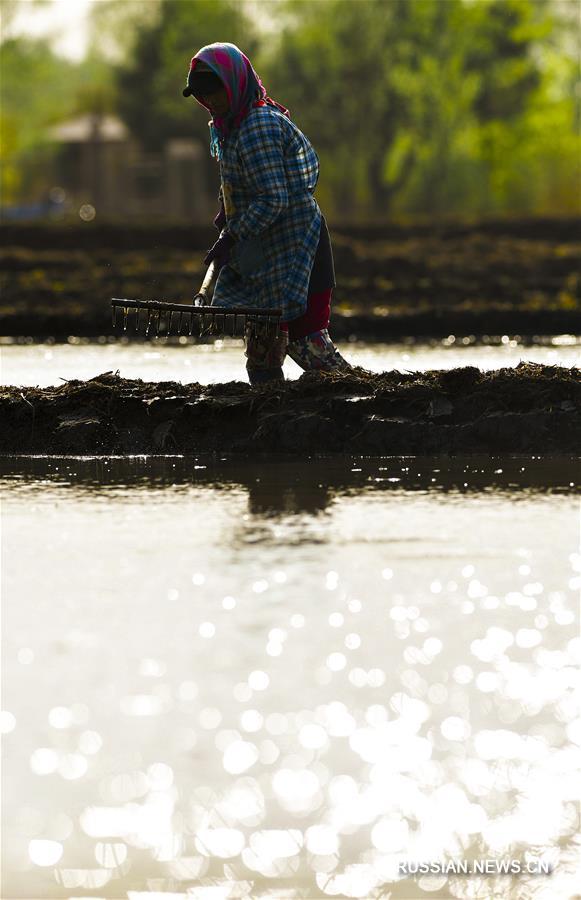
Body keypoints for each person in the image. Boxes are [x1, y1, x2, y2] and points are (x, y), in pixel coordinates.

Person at [182, 42, 350, 385]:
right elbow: (243, 184)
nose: (211, 102)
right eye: (203, 95)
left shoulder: (257, 126)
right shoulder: (230, 128)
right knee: (262, 342)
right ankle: (269, 413)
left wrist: (235, 233)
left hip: (296, 243)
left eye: (216, 92)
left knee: (306, 339)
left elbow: (273, 198)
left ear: (234, 83)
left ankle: (360, 394)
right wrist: (227, 214)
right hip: (265, 246)